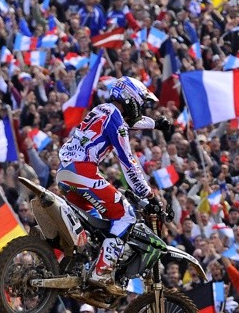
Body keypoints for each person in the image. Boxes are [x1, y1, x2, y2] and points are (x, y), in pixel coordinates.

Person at [56, 77, 169, 295]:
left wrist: (155, 123)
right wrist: (148, 195)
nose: (141, 108)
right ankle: (102, 273)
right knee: (125, 215)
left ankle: (80, 269)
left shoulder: (102, 110)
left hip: (65, 173)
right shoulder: (114, 119)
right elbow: (128, 162)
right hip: (82, 171)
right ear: (130, 99)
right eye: (141, 102)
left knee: (94, 227)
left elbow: (129, 122)